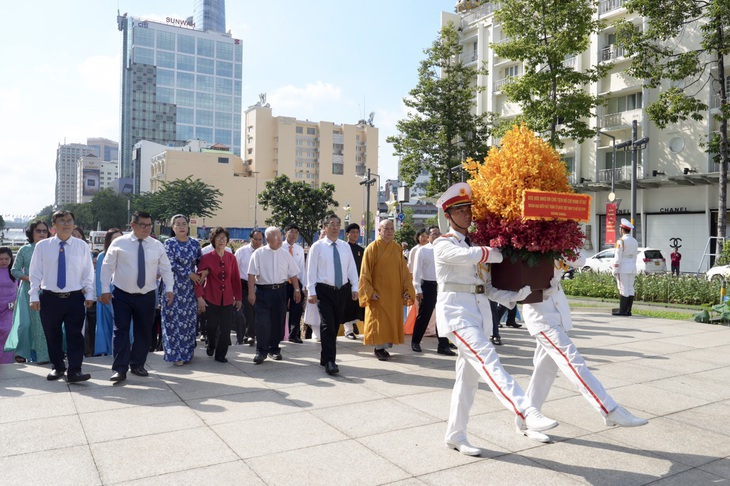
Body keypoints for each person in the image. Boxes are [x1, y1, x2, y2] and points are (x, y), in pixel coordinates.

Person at [433, 182, 558, 456]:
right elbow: (467, 256)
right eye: (460, 210)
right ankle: (526, 410)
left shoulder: (477, 245)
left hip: (477, 315)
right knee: (489, 360)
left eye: (469, 209)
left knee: (467, 381)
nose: (467, 214)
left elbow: (487, 288)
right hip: (457, 314)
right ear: (448, 215)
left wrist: (515, 295)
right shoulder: (442, 244)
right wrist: (494, 251)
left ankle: (455, 434)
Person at [519, 256, 648, 442]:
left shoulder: (561, 239)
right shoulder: (528, 243)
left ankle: (525, 420)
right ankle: (609, 409)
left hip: (558, 312)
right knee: (572, 361)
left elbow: (580, 259)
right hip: (541, 315)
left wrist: (562, 244)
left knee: (544, 370)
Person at [100, 211, 174, 383]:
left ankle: (137, 364)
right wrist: (104, 289)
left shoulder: (157, 245)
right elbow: (107, 266)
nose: (146, 228)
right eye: (143, 225)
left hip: (147, 295)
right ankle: (119, 369)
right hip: (122, 294)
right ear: (132, 225)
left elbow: (165, 268)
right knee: (121, 331)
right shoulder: (119, 243)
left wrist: (169, 288)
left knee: (143, 332)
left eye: (149, 225)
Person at [28, 210, 95, 382]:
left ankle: (75, 371)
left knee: (75, 335)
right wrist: (34, 295)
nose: (66, 224)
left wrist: (90, 293)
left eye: (69, 221)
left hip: (74, 298)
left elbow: (88, 272)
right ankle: (57, 367)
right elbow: (34, 272)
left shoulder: (82, 246)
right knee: (52, 335)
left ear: (74, 224)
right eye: (62, 221)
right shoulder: (43, 246)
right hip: (50, 298)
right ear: (54, 226)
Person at [307, 214, 359, 375]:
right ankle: (331, 361)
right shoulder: (318, 246)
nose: (335, 227)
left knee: (335, 324)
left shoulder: (345, 246)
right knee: (328, 324)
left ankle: (325, 355)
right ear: (324, 227)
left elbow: (351, 269)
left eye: (338, 224)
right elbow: (311, 270)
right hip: (324, 290)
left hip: (342, 290)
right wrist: (311, 291)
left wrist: (355, 287)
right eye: (331, 224)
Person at [359, 219, 416, 361]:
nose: (389, 231)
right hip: (378, 293)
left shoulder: (397, 248)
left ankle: (385, 347)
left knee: (390, 320)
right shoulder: (372, 248)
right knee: (379, 321)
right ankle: (378, 348)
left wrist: (407, 289)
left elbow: (404, 271)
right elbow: (365, 273)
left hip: (394, 292)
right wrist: (370, 292)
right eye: (386, 228)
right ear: (379, 230)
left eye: (391, 228)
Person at [247, 226, 301, 364]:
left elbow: (293, 274)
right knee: (263, 322)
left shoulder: (285, 254)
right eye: (275, 237)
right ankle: (261, 351)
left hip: (280, 291)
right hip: (263, 291)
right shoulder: (258, 254)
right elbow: (251, 274)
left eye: (279, 236)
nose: (279, 239)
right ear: (268, 239)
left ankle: (274, 349)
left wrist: (296, 290)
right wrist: (251, 292)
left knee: (278, 320)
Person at [6, 220, 50, 363]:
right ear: (31, 233)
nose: (42, 233)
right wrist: (29, 278)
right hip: (27, 290)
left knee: (42, 325)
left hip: (47, 292)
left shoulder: (52, 249)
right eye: (38, 230)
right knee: (24, 324)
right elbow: (14, 270)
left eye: (45, 231)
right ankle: (22, 353)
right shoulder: (24, 250)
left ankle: (43, 356)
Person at [195, 227, 242, 363]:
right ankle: (211, 343)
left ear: (227, 240)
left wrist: (238, 297)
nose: (221, 241)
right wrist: (200, 297)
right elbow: (198, 280)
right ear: (213, 241)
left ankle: (221, 354)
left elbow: (235, 279)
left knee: (226, 329)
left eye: (224, 238)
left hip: (227, 299)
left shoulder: (231, 258)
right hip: (211, 297)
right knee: (212, 326)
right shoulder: (207, 258)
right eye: (218, 238)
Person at [162, 215, 203, 366]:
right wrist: (188, 273)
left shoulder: (194, 244)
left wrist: (203, 272)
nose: (181, 227)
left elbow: (201, 261)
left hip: (189, 289)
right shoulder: (169, 243)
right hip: (173, 287)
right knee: (173, 322)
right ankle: (175, 355)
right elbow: (170, 263)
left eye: (184, 224)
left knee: (188, 322)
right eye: (177, 224)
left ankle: (187, 353)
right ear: (173, 227)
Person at [411, 225, 454, 355]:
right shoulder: (423, 251)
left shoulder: (444, 249)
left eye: (438, 233)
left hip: (442, 286)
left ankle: (443, 345)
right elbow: (416, 271)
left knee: (443, 315)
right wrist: (417, 288)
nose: (435, 236)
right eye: (433, 234)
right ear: (428, 236)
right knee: (425, 315)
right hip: (427, 285)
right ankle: (416, 341)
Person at [94, 228, 123, 356]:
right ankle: (111, 352)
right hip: (107, 297)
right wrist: (100, 294)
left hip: (123, 296)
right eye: (114, 239)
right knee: (109, 326)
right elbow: (99, 276)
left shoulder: (126, 255)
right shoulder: (102, 255)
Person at [234, 229, 263, 345]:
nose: (257, 242)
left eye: (260, 240)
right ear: (250, 239)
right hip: (244, 284)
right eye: (255, 239)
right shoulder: (241, 251)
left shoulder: (263, 252)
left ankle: (250, 334)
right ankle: (248, 335)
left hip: (259, 284)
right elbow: (234, 270)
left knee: (256, 310)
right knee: (248, 309)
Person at [282, 224, 306, 344]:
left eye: (296, 232)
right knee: (280, 309)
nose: (294, 235)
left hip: (296, 283)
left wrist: (303, 285)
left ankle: (294, 334)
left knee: (297, 309)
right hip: (282, 283)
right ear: (285, 233)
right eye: (291, 232)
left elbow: (301, 268)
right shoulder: (279, 247)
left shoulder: (299, 249)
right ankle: (280, 334)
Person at [341, 223, 365, 340]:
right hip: (346, 282)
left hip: (359, 282)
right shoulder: (343, 248)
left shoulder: (361, 250)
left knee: (357, 306)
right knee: (347, 306)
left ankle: (354, 323)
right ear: (347, 234)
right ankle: (348, 330)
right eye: (353, 232)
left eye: (357, 232)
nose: (355, 235)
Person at [611, 218, 638, 316]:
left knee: (623, 288)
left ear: (622, 229)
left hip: (623, 266)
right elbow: (635, 255)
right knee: (630, 287)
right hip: (632, 266)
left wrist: (615, 268)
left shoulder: (621, 241)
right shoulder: (634, 241)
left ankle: (622, 310)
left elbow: (618, 256)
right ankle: (628, 310)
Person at [0, 247, 17, 364]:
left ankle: (6, 361)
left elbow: (22, 289)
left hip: (10, 308)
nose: (4, 261)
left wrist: (17, 302)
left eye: (6, 258)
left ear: (11, 259)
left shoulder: (15, 272)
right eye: (1, 259)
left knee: (7, 331)